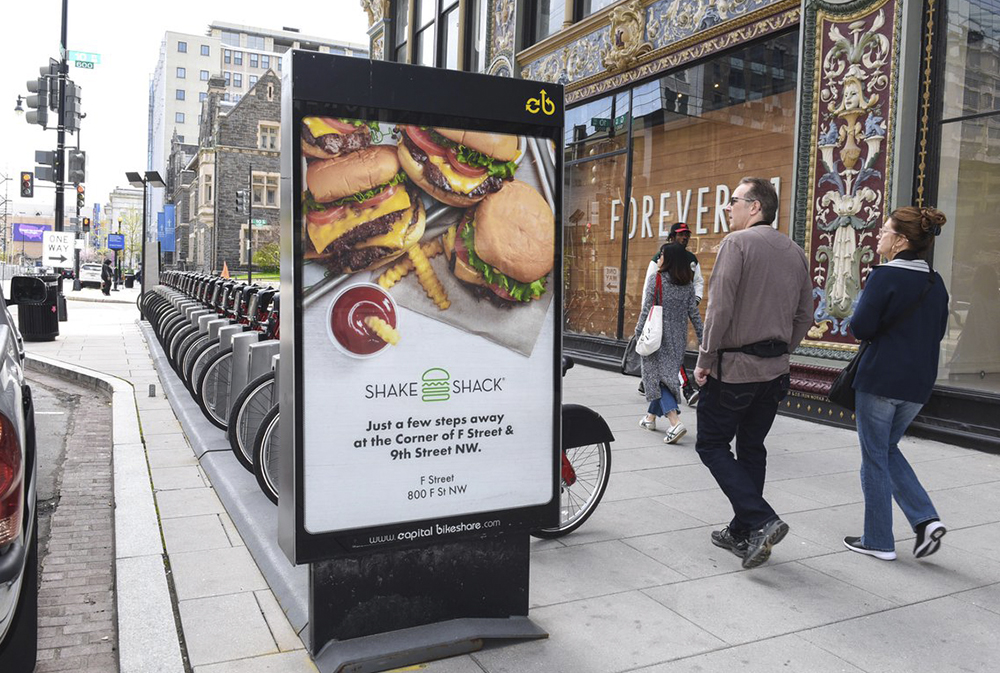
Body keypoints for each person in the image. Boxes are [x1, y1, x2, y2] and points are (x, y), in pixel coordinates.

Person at [693, 177, 812, 570]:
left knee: (711, 445)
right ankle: (743, 530)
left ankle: (760, 519)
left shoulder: (737, 244)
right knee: (752, 447)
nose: (729, 208)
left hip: (736, 369)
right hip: (775, 372)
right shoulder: (795, 252)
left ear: (755, 207)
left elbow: (719, 308)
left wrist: (705, 358)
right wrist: (782, 349)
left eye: (734, 201)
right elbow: (806, 315)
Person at [843, 206, 950, 561]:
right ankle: (925, 521)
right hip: (918, 385)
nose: (880, 236)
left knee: (874, 457)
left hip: (880, 379)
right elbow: (938, 333)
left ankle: (878, 540)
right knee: (886, 450)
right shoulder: (936, 282)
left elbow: (859, 327)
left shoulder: (885, 275)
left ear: (901, 239)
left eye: (885, 230)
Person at [636, 243, 704, 444]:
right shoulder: (688, 284)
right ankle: (650, 418)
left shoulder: (656, 279)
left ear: (669, 259)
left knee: (657, 380)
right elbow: (694, 314)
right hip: (677, 338)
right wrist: (703, 338)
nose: (658, 259)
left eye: (661, 256)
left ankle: (675, 422)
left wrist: (638, 332)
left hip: (655, 337)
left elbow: (645, 309)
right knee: (664, 377)